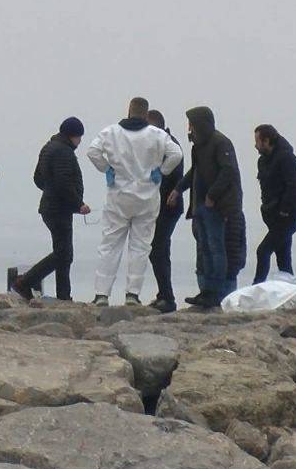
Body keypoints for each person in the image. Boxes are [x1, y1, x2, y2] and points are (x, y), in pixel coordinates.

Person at [87, 98, 184, 307]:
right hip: (147, 196)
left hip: (118, 195)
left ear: (129, 111)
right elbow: (177, 153)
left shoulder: (111, 132)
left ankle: (101, 294)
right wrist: (162, 170)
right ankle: (132, 294)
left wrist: (106, 169)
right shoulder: (158, 135)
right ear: (145, 113)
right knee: (140, 246)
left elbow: (92, 151)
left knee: (110, 244)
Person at [168, 106, 245, 308]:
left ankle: (217, 293)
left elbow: (228, 171)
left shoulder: (221, 143)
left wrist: (212, 195)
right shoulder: (198, 146)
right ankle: (206, 291)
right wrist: (178, 189)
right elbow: (195, 171)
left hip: (217, 207)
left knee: (216, 248)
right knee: (204, 249)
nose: (189, 128)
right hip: (199, 205)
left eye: (191, 124)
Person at [12, 117, 91, 302]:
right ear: (73, 135)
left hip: (51, 206)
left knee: (63, 252)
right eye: (79, 137)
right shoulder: (64, 152)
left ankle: (63, 295)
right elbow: (64, 183)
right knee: (63, 254)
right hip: (59, 208)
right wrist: (78, 203)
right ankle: (26, 282)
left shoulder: (49, 148)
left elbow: (38, 178)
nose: (80, 142)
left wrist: (49, 191)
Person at [253, 124, 296, 283]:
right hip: (272, 215)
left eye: (257, 141)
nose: (255, 145)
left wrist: (285, 210)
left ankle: (257, 287)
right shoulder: (262, 161)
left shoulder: (287, 158)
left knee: (263, 251)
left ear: (266, 141)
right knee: (283, 257)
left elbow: (295, 186)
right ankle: (290, 291)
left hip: (288, 217)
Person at [146, 110, 185, 313]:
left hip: (168, 207)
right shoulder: (159, 145)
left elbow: (173, 175)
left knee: (158, 250)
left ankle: (167, 297)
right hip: (159, 207)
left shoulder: (170, 145)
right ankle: (164, 295)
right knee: (159, 250)